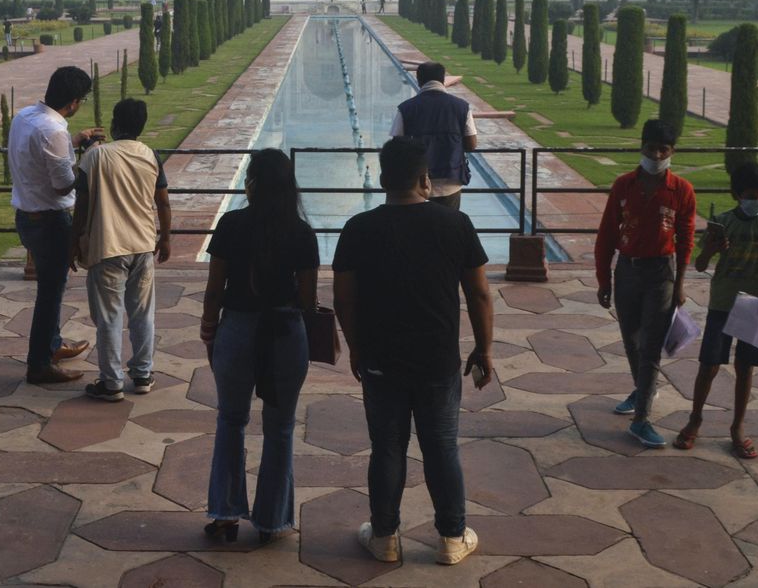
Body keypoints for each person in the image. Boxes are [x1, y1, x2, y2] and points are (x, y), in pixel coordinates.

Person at [333, 137, 494, 567]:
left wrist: (355, 347)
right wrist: (484, 349)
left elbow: (343, 300)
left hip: (381, 357)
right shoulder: (454, 225)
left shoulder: (359, 228)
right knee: (442, 447)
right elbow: (479, 296)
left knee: (387, 447)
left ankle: (385, 536)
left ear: (384, 180)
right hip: (437, 358)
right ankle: (452, 537)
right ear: (425, 180)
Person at [199, 149, 318, 545]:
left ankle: (226, 513)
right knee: (280, 427)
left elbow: (215, 288)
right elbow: (307, 298)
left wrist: (209, 330)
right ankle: (271, 520)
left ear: (252, 183)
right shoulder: (301, 232)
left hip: (237, 329)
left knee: (231, 420)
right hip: (285, 331)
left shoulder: (232, 224)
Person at [676, 163, 758, 459]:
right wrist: (712, 249)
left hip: (755, 304)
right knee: (709, 364)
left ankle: (738, 426)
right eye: (751, 195)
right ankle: (695, 419)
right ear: (737, 194)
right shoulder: (722, 222)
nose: (757, 201)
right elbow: (701, 265)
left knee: (745, 367)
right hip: (723, 302)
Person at [594, 118, 697, 448]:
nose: (656, 154)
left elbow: (685, 241)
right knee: (631, 338)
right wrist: (603, 279)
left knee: (651, 345)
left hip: (661, 274)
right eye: (651, 148)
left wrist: (680, 284)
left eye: (663, 149)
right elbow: (607, 234)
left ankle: (641, 419)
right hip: (627, 270)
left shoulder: (681, 190)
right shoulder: (624, 185)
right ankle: (642, 389)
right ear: (642, 147)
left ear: (672, 152)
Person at [71, 98, 172, 401]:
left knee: (109, 317)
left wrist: (72, 242)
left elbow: (82, 205)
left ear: (115, 124)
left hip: (108, 246)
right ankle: (142, 374)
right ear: (142, 126)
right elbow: (163, 202)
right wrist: (165, 238)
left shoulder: (96, 157)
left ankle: (111, 382)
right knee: (142, 315)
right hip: (142, 245)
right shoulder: (150, 155)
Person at [9, 66, 104, 384]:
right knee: (50, 292)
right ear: (75, 102)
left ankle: (51, 345)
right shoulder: (53, 131)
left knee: (52, 288)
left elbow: (39, 155)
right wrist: (90, 156)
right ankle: (39, 364)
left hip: (26, 214)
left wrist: (74, 141)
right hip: (49, 221)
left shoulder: (24, 116)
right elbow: (64, 184)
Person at [389, 61, 477, 210]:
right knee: (448, 227)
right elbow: (471, 144)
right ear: (443, 79)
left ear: (419, 80)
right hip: (451, 180)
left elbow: (397, 145)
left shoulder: (406, 108)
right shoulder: (461, 106)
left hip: (417, 182)